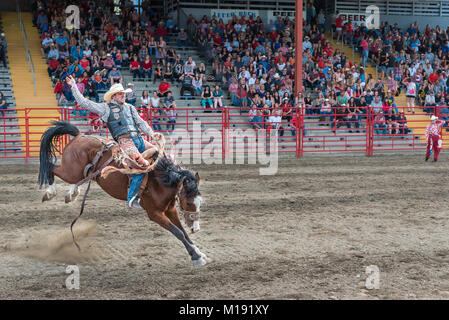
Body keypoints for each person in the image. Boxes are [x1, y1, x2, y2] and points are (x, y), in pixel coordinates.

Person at [66, 75, 161, 209]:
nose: (123, 95)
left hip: (139, 139)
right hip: (124, 141)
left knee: (159, 154)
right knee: (142, 164)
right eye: (120, 94)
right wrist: (74, 86)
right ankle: (131, 198)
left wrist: (152, 134)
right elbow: (84, 103)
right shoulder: (106, 108)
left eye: (123, 93)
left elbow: (141, 123)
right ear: (113, 96)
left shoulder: (130, 108)